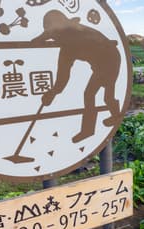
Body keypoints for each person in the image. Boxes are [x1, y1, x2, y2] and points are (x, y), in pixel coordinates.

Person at [32, 10, 121, 143]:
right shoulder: (67, 34)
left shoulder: (70, 45)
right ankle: (107, 121)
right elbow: (62, 76)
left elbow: (62, 77)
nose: (52, 36)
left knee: (93, 94)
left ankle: (90, 129)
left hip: (110, 58)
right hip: (103, 60)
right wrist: (53, 92)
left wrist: (53, 92)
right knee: (101, 94)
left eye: (54, 33)